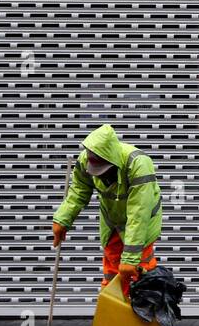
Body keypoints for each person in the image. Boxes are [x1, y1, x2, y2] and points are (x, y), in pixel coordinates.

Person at [51, 124, 163, 295]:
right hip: (113, 222)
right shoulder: (86, 160)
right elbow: (79, 191)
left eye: (103, 171)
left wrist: (130, 259)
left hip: (142, 223)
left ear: (112, 160)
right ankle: (112, 310)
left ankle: (143, 315)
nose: (100, 175)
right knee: (112, 271)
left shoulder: (138, 164)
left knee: (138, 269)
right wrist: (62, 219)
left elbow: (138, 213)